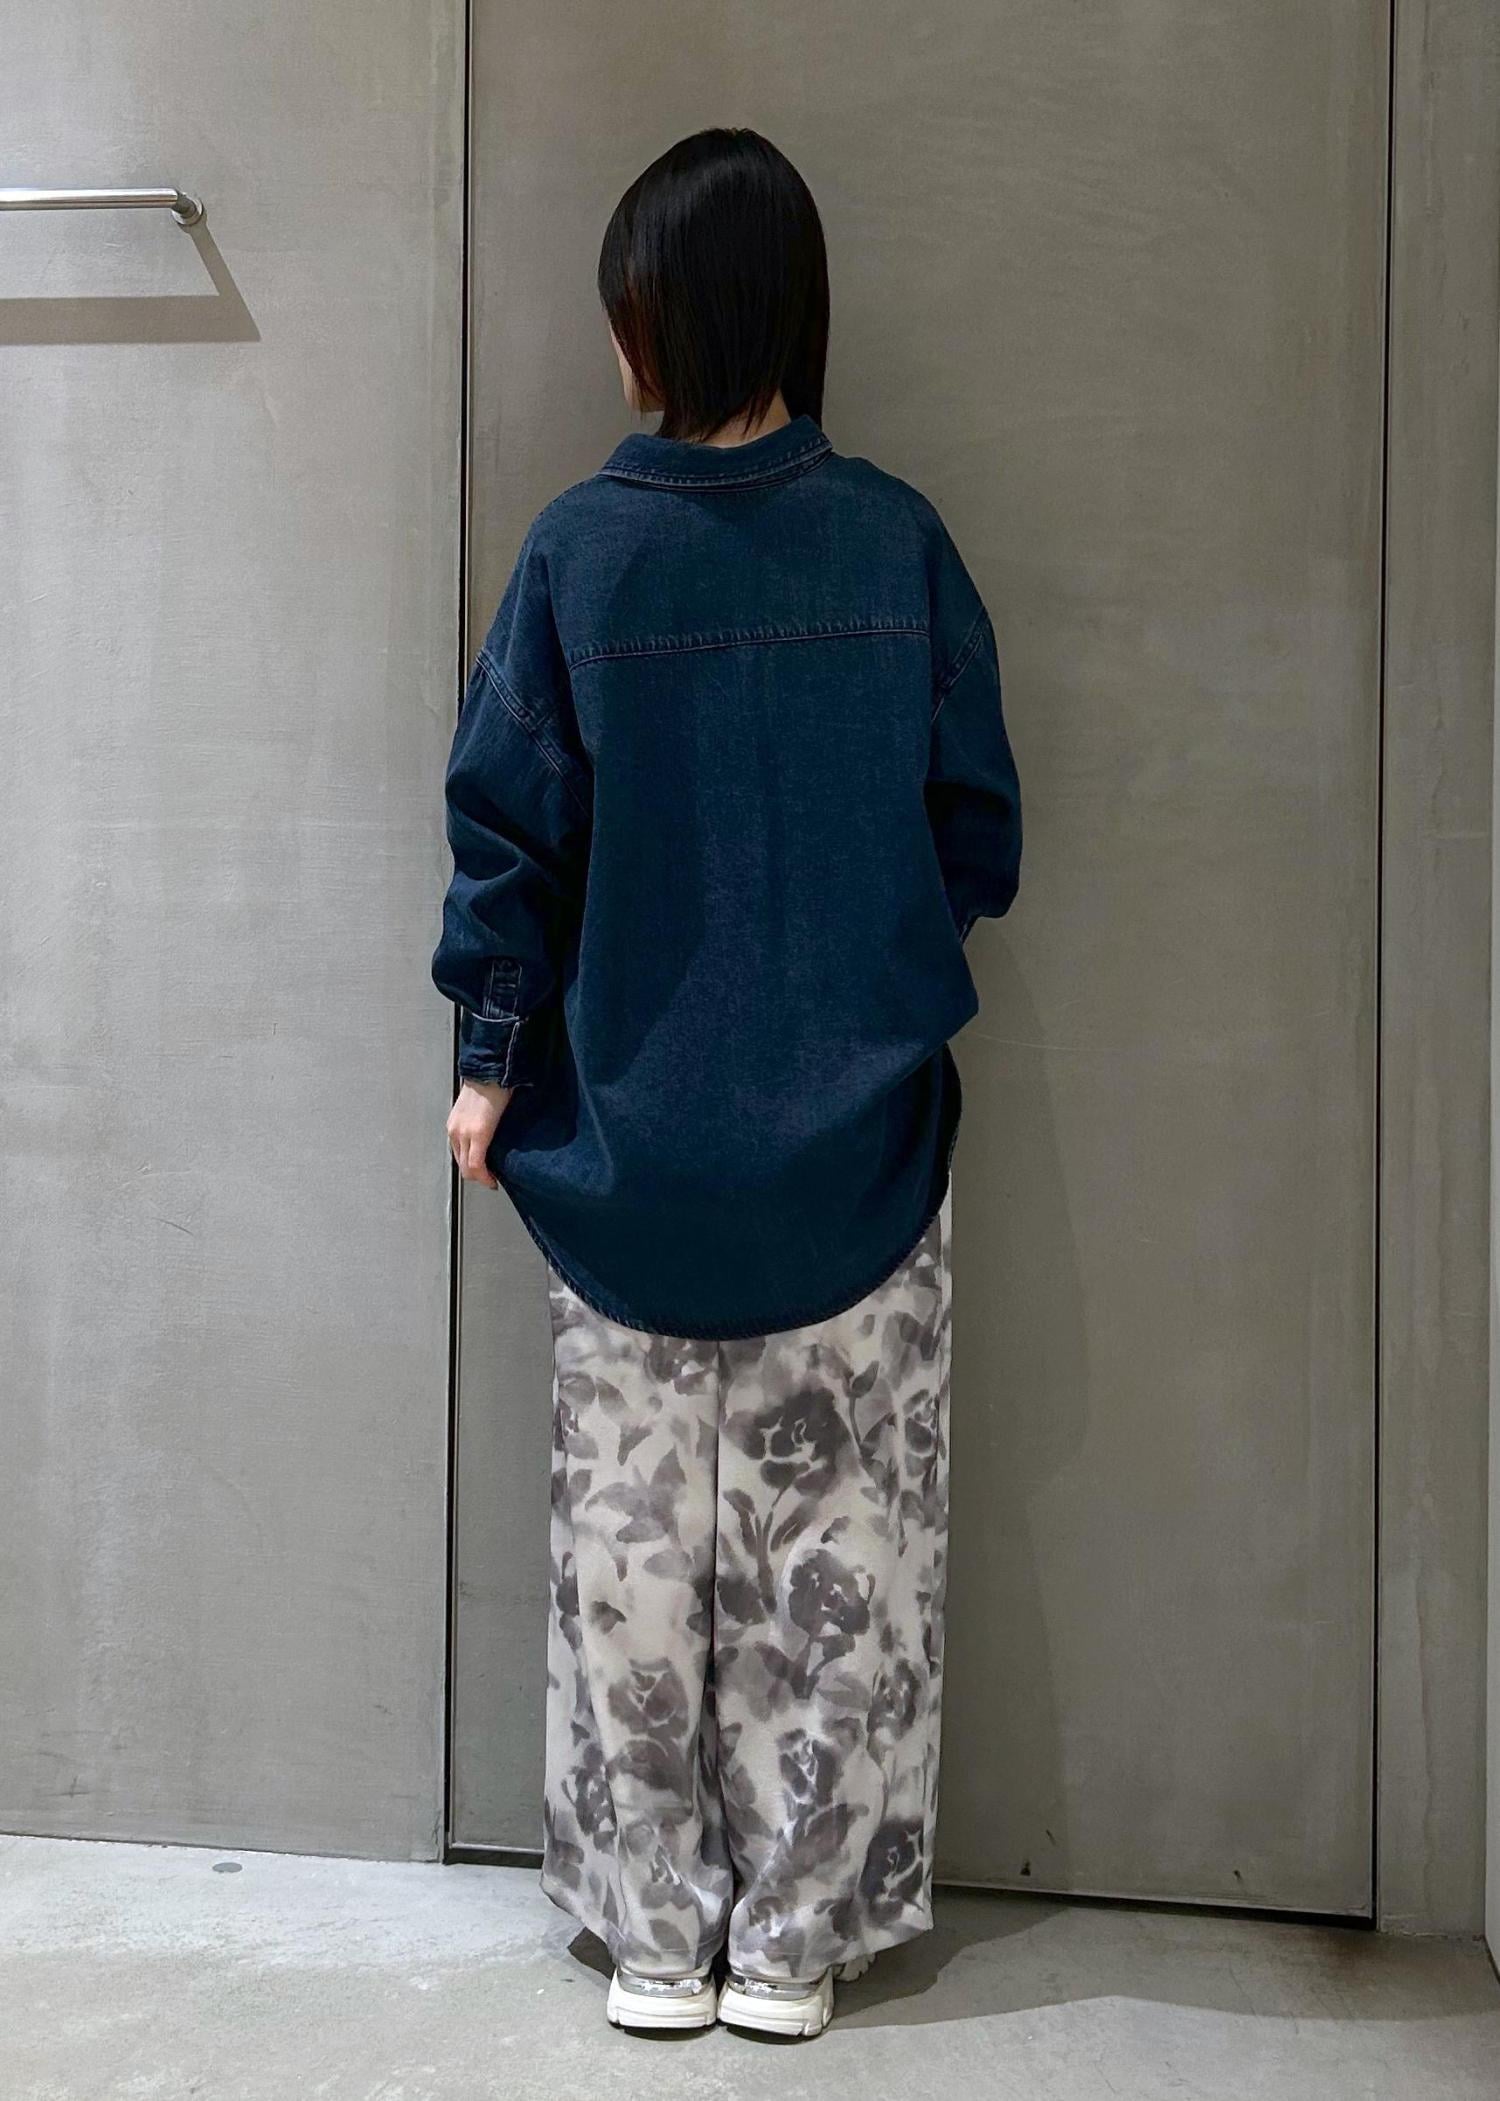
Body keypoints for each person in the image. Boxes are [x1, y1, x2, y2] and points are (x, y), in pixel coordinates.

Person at [432, 126, 1021, 2040]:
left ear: (652, 329)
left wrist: (488, 1061)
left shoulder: (578, 555)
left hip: (627, 1155)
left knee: (634, 1574)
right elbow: (977, 834)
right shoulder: (898, 543)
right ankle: (792, 1946)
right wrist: (869, 982)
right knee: (839, 1566)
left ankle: (656, 1938)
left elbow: (507, 837)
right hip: (859, 1156)